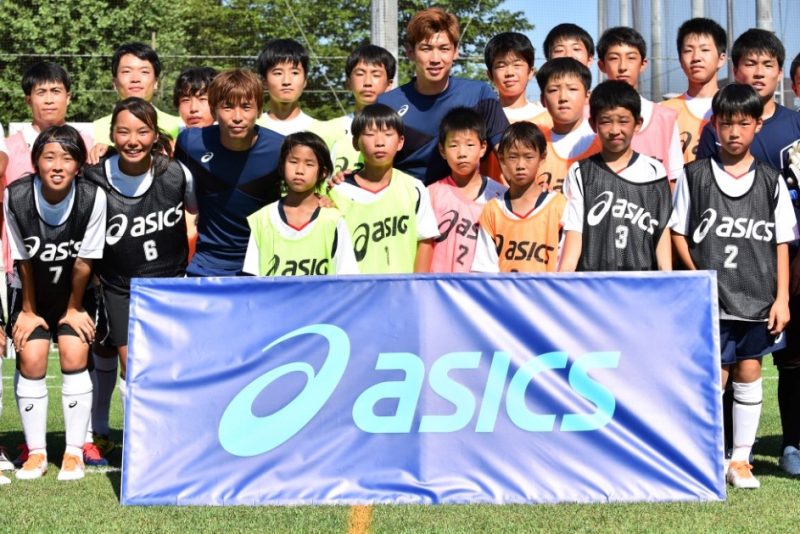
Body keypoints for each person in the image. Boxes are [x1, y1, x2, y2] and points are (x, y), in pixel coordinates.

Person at [670, 84, 798, 488]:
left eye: (743, 124)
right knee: (716, 373)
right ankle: (710, 453)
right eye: (726, 124)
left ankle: (741, 459)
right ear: (714, 126)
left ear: (758, 125)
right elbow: (678, 232)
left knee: (749, 368)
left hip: (758, 296)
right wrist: (697, 275)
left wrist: (782, 298)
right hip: (711, 296)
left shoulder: (771, 180)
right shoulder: (695, 175)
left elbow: (782, 241)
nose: (734, 132)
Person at [696, 30, 800, 476]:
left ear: (780, 74)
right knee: (729, 360)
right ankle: (727, 449)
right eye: (749, 64)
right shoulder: (716, 127)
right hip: (732, 263)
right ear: (734, 69)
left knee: (791, 357)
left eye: (767, 65)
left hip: (788, 257)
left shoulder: (795, 124)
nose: (758, 72)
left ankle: (792, 443)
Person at [83, 98, 197, 441]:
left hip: (171, 285)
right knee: (133, 367)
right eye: (124, 131)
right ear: (112, 134)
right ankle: (141, 444)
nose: (133, 140)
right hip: (120, 286)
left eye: (142, 131)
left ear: (155, 134)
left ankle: (174, 437)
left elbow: (196, 217)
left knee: (171, 367)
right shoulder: (92, 178)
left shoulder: (176, 173)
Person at [5, 125, 107, 481]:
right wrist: (29, 311)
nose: (58, 165)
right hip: (32, 293)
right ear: (36, 162)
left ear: (79, 164)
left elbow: (84, 260)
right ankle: (36, 453)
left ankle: (74, 452)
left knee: (74, 352)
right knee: (32, 357)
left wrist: (74, 309)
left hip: (75, 294)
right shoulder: (16, 195)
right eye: (49, 157)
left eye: (67, 157)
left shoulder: (93, 197)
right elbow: (22, 259)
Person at [377, 7, 509, 184]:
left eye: (444, 48)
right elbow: (371, 166)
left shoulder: (479, 95)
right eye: (426, 49)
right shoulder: (387, 104)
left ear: (456, 51)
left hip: (465, 199)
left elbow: (508, 154)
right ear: (410, 52)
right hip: (406, 199)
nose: (435, 59)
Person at [175, 68, 284, 277]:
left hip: (263, 262)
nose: (237, 117)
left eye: (246, 107)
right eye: (227, 107)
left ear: (259, 110)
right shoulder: (190, 143)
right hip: (208, 262)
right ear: (214, 110)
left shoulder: (281, 149)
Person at [559, 80, 672, 272]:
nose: (614, 130)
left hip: (641, 283)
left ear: (638, 124)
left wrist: (666, 276)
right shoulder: (581, 172)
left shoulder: (654, 171)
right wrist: (564, 278)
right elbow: (574, 234)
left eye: (623, 121)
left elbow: (661, 233)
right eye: (605, 121)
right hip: (594, 282)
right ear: (593, 124)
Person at [328, 103, 439, 273]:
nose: (379, 142)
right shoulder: (337, 191)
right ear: (355, 143)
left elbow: (425, 241)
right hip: (354, 288)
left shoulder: (414, 188)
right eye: (370, 134)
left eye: (388, 134)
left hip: (403, 288)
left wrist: (417, 284)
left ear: (400, 142)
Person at [243, 132, 358, 276]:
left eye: (309, 164)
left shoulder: (333, 220)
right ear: (282, 166)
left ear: (323, 172)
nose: (299, 171)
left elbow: (347, 275)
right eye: (293, 162)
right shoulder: (263, 219)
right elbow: (252, 278)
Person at [417, 107, 506, 272]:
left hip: (483, 286)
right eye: (453, 145)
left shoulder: (500, 196)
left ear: (483, 147)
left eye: (470, 144)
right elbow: (424, 246)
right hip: (439, 285)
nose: (462, 153)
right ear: (442, 150)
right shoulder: (431, 194)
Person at [597, 27, 684, 187]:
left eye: (631, 58)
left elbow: (674, 178)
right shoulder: (589, 116)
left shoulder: (666, 117)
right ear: (601, 65)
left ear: (643, 64)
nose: (623, 66)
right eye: (614, 58)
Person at [472, 122, 564, 273]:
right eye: (513, 157)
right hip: (504, 289)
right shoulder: (493, 210)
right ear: (502, 159)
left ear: (542, 157)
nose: (520, 165)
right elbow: (484, 269)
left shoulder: (559, 205)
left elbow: (565, 264)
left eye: (528, 157)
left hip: (547, 288)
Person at [661, 18, 727, 164]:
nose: (696, 57)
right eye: (688, 51)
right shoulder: (664, 112)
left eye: (705, 50)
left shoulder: (737, 108)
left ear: (721, 59)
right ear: (680, 60)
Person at [322, 44, 396, 174]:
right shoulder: (327, 130)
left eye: (376, 75)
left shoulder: (400, 129)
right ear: (348, 82)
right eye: (360, 74)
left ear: (389, 84)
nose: (367, 82)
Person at [92, 42, 182, 146]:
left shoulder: (178, 127)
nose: (135, 79)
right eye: (126, 71)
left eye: (144, 72)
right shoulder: (96, 130)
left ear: (156, 82)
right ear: (114, 83)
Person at [534, 58, 601, 192]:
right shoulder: (534, 147)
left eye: (572, 89)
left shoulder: (604, 145)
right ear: (542, 99)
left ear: (587, 96)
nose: (563, 97)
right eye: (553, 90)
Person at [531, 23, 596, 130]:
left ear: (590, 60)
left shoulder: (603, 111)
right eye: (559, 50)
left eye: (576, 49)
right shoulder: (538, 124)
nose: (568, 55)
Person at [255, 39, 317, 136]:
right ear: (264, 81)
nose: (286, 81)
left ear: (305, 80)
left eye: (295, 73)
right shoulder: (251, 129)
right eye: (278, 73)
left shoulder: (320, 131)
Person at [484, 32, 542, 124]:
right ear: (490, 75)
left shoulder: (546, 118)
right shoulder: (482, 119)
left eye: (517, 65)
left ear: (531, 72)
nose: (510, 73)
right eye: (501, 66)